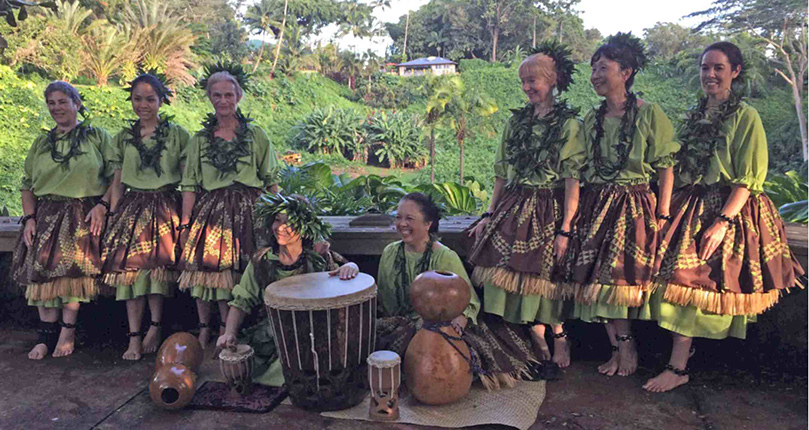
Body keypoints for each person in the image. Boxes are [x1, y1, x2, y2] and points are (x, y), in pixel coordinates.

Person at [644, 42, 805, 392]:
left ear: (735, 71)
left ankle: (677, 367)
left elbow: (748, 178)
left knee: (694, 277)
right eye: (705, 68)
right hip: (693, 201)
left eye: (718, 68)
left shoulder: (746, 116)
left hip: (730, 206)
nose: (710, 74)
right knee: (672, 276)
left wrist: (723, 222)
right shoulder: (694, 114)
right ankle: (675, 360)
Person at [567, 33, 679, 376]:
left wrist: (663, 213)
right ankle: (617, 347)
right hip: (597, 203)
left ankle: (627, 345)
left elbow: (666, 167)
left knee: (618, 279)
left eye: (603, 68)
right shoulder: (592, 119)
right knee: (593, 278)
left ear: (626, 72)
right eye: (593, 69)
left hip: (634, 204)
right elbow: (579, 167)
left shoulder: (649, 114)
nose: (595, 76)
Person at [468, 41, 584, 368]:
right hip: (515, 202)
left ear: (553, 80)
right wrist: (489, 213)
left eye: (533, 80)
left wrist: (566, 228)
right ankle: (533, 332)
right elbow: (501, 174)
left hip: (550, 206)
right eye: (523, 81)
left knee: (547, 275)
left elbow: (572, 180)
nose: (526, 87)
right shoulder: (516, 123)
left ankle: (558, 334)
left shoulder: (569, 125)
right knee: (507, 269)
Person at [377, 193, 541, 389]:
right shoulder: (390, 253)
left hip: (437, 321)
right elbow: (385, 297)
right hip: (402, 321)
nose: (402, 224)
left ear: (428, 224)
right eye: (398, 217)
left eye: (409, 218)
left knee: (441, 351)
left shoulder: (444, 256)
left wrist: (461, 318)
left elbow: (468, 300)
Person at [12, 81, 120, 359]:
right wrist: (29, 218)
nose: (57, 108)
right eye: (51, 103)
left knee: (73, 273)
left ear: (77, 104)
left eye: (63, 102)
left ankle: (67, 332)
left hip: (81, 211)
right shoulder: (42, 143)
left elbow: (117, 176)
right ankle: (45, 336)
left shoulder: (96, 136)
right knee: (41, 274)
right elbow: (27, 184)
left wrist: (103, 206)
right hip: (46, 212)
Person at [179, 70, 280, 349]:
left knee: (248, 268)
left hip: (250, 210)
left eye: (228, 94)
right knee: (212, 268)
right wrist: (185, 224)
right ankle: (213, 329)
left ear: (238, 96)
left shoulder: (256, 135)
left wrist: (282, 214)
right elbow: (189, 184)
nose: (223, 100)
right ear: (209, 98)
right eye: (217, 95)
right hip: (212, 210)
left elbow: (271, 180)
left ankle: (237, 330)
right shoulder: (200, 139)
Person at [215, 193, 359, 386]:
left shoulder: (317, 258)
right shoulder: (262, 261)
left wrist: (351, 267)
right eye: (277, 220)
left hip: (313, 333)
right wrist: (229, 333)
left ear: (305, 227)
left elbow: (342, 271)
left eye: (289, 222)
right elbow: (241, 302)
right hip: (274, 334)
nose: (281, 227)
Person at [102, 74, 191, 360]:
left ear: (162, 101)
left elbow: (188, 179)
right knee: (130, 274)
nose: (143, 105)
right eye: (137, 99)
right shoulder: (123, 137)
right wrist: (113, 213)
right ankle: (133, 336)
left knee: (156, 272)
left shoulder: (177, 135)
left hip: (164, 204)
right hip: (133, 206)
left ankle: (155, 326)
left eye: (150, 99)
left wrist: (187, 217)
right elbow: (117, 181)